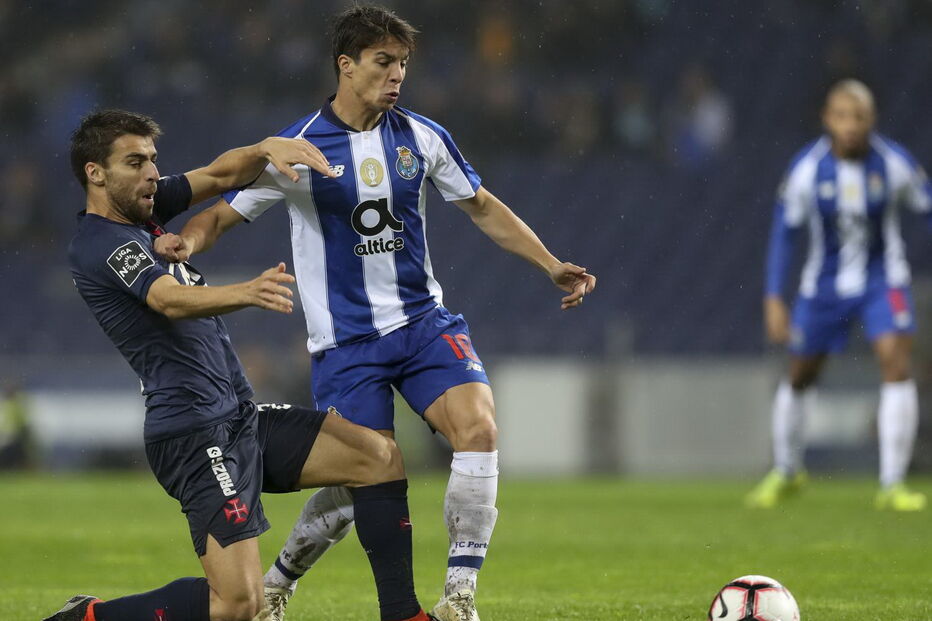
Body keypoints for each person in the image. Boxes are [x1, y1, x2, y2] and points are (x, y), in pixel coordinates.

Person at [154, 5, 597, 621]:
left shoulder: (421, 136)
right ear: (346, 64)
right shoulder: (299, 147)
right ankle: (280, 581)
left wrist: (550, 264)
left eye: (403, 64)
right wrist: (187, 243)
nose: (397, 76)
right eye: (383, 62)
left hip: (423, 324)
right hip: (346, 345)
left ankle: (460, 597)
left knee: (480, 429)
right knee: (365, 474)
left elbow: (484, 205)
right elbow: (220, 216)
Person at [44, 108, 437, 621]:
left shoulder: (144, 206)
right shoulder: (102, 243)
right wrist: (245, 292)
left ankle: (403, 615)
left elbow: (218, 175)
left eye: (153, 161)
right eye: (135, 162)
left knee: (378, 457)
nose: (151, 174)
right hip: (192, 432)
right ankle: (90, 617)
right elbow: (166, 299)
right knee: (238, 605)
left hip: (239, 416)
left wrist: (265, 148)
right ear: (95, 173)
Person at [746, 79, 931, 512]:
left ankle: (892, 484)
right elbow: (784, 235)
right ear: (827, 119)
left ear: (872, 121)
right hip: (823, 287)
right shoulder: (807, 169)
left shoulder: (894, 164)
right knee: (800, 375)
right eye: (842, 116)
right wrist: (774, 296)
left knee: (896, 363)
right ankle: (787, 472)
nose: (850, 126)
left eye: (859, 117)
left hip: (884, 281)